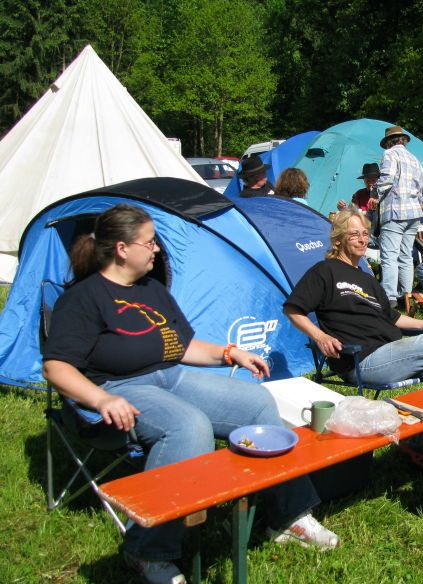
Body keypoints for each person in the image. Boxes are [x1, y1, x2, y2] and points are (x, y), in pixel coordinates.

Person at [42, 204, 338, 584]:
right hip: (119, 388)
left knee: (257, 402)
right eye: (149, 242)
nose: (157, 249)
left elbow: (181, 347)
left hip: (172, 376)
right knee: (188, 427)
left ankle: (288, 516)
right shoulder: (84, 298)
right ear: (122, 249)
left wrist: (229, 353)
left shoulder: (151, 289)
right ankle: (147, 551)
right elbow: (56, 367)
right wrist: (101, 399)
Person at [283, 210, 423, 386]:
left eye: (365, 234)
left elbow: (392, 317)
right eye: (354, 234)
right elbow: (292, 309)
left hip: (390, 355)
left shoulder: (367, 278)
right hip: (361, 361)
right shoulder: (325, 271)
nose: (362, 239)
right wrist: (320, 337)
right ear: (338, 240)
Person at [375, 125, 423, 307]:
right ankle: (406, 296)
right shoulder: (414, 158)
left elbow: (387, 179)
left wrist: (375, 192)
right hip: (413, 213)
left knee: (389, 255)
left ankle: (389, 297)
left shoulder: (389, 154)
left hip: (395, 211)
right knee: (406, 255)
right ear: (403, 140)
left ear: (388, 142)